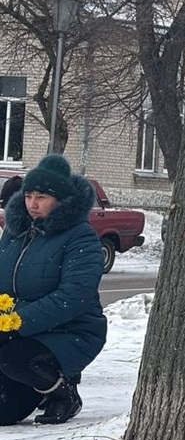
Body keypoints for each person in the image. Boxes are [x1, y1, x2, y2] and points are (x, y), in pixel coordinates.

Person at [0, 155, 106, 425]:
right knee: (5, 413)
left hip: (70, 330)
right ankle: (36, 389)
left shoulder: (79, 235)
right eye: (29, 196)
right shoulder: (15, 233)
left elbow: (74, 296)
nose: (32, 204)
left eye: (42, 197)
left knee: (13, 357)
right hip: (18, 329)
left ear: (60, 199)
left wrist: (17, 320)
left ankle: (63, 392)